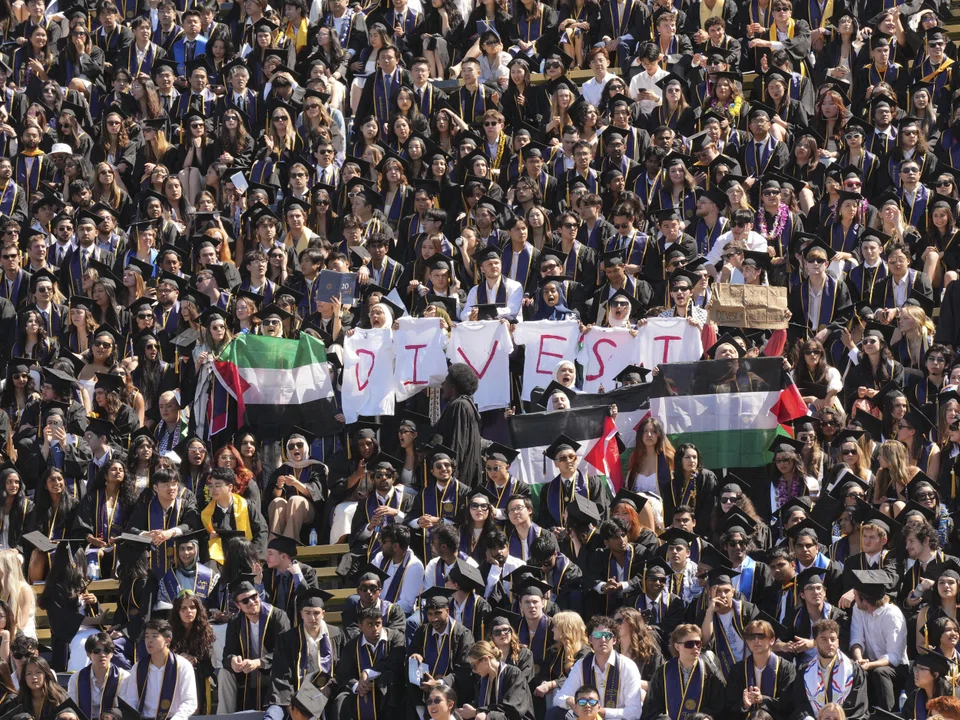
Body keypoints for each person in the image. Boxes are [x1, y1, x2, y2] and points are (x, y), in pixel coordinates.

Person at [264, 588, 342, 720]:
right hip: (293, 694)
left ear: (323, 613)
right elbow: (281, 675)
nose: (312, 617)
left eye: (316, 613)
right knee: (272, 715)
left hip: (327, 692)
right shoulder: (288, 639)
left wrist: (329, 687)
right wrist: (291, 704)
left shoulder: (336, 635)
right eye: (308, 613)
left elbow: (343, 669)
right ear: (301, 614)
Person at [218, 575, 291, 712]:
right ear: (238, 605)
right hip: (246, 674)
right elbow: (228, 654)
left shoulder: (277, 616)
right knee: (224, 674)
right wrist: (233, 660)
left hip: (272, 670)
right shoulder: (235, 623)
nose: (252, 602)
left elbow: (285, 652)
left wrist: (259, 662)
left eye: (254, 597)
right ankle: (224, 716)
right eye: (245, 601)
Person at [551, 616, 642, 720]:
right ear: (590, 639)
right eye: (598, 635)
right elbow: (559, 698)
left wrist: (603, 712)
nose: (602, 640)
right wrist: (570, 701)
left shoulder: (628, 666)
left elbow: (635, 711)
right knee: (554, 713)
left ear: (614, 640)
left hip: (615, 719)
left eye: (607, 635)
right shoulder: (581, 665)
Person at [330, 606, 406, 720]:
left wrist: (368, 673)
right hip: (360, 693)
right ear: (360, 626)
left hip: (389, 689)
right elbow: (344, 675)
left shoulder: (395, 638)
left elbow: (395, 663)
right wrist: (357, 685)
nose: (375, 628)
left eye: (378, 624)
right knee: (340, 702)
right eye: (370, 624)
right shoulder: (352, 646)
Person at [640, 625, 726, 720]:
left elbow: (717, 706)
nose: (695, 647)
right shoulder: (663, 672)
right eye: (689, 644)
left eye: (698, 643)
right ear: (677, 646)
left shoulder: (709, 672)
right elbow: (652, 708)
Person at [118, 620, 198, 720]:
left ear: (167, 641)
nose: (149, 640)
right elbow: (131, 701)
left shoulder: (182, 666)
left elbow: (189, 702)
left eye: (154, 636)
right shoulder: (138, 668)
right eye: (147, 636)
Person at [790, 619, 868, 720]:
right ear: (815, 643)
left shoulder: (853, 671)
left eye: (833, 639)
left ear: (838, 642)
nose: (829, 643)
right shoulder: (805, 672)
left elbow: (858, 708)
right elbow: (800, 706)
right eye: (824, 639)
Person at [66, 634, 128, 720]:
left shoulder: (124, 677)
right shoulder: (76, 679)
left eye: (106, 650)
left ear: (112, 653)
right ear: (88, 654)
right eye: (97, 651)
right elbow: (72, 710)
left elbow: (125, 710)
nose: (102, 654)